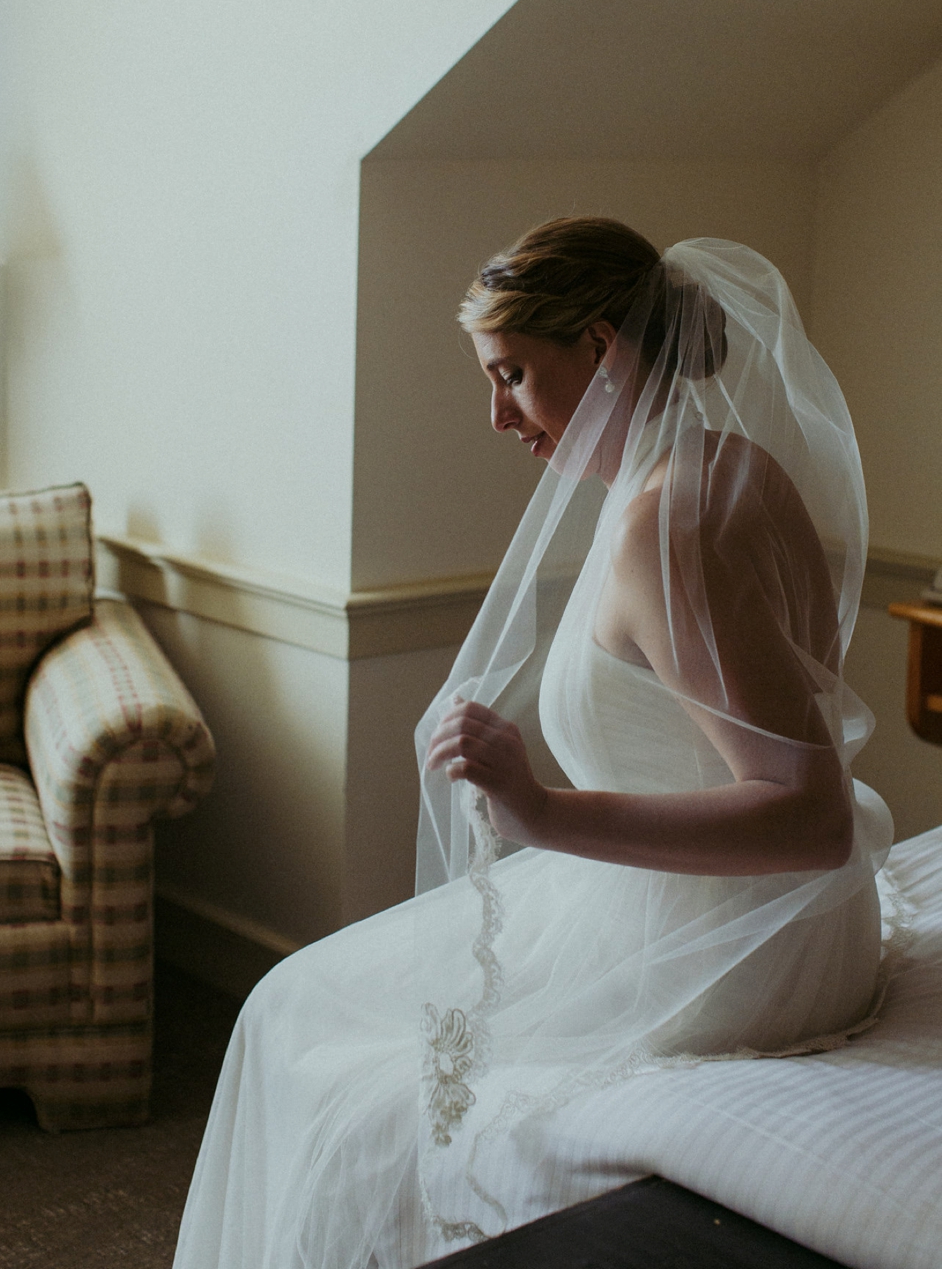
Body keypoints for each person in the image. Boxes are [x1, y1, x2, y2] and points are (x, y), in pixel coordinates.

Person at [173, 220, 892, 1269]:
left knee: (313, 1039)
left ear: (601, 348)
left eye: (512, 375)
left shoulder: (669, 524)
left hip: (742, 949)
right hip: (762, 915)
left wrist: (543, 812)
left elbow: (811, 814)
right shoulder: (724, 464)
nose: (498, 415)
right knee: (302, 1004)